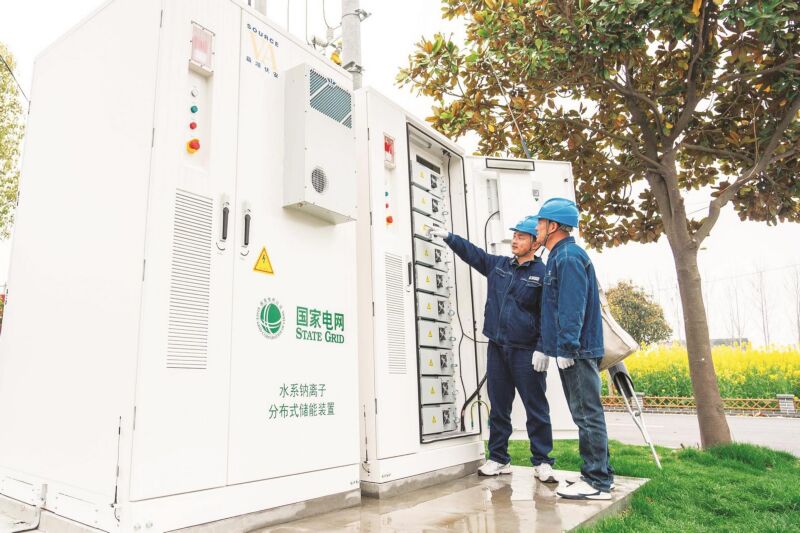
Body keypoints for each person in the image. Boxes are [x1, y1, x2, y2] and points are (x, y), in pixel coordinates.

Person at [428, 216, 556, 483]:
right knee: (498, 406)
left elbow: (548, 314)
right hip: (498, 348)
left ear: (535, 243)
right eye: (514, 236)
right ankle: (499, 458)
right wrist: (450, 237)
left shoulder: (543, 274)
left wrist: (543, 349)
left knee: (536, 408)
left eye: (521, 237)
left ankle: (543, 461)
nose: (515, 241)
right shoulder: (499, 265)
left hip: (526, 352)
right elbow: (473, 254)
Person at [533, 198, 613, 500]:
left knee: (587, 415)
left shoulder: (567, 257)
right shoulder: (560, 256)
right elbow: (553, 309)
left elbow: (571, 307)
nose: (536, 228)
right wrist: (547, 347)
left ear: (553, 226)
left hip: (578, 351)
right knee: (585, 414)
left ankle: (597, 482)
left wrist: (567, 347)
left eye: (540, 223)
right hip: (574, 350)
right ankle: (598, 473)